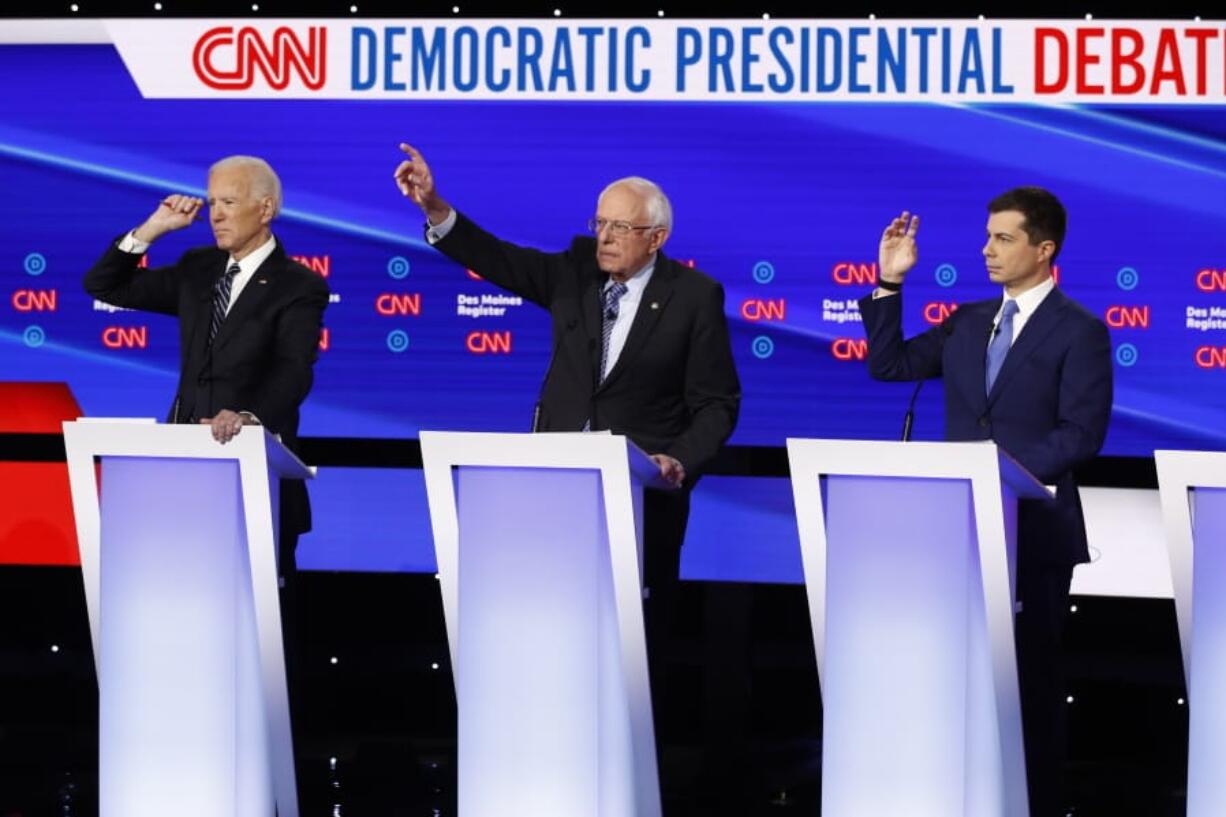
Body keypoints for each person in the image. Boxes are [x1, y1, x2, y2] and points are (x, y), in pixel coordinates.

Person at [393, 140, 741, 780]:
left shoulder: (694, 297)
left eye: (621, 227)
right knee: (542, 640)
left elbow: (717, 404)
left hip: (641, 506)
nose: (605, 237)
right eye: (600, 223)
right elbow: (497, 259)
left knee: (628, 653)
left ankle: (622, 774)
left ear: (656, 237)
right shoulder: (576, 273)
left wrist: (677, 461)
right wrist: (436, 206)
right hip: (551, 496)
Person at [858, 186, 1113, 817]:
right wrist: (890, 284)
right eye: (987, 236)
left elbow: (1082, 433)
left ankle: (1036, 802)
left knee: (1029, 682)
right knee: (957, 680)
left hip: (1035, 534)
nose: (987, 249)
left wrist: (1000, 475)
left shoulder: (1080, 331)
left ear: (1044, 249)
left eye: (1003, 238)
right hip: (958, 534)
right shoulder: (969, 321)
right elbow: (888, 366)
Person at [83, 155, 329, 573]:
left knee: (262, 619)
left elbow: (294, 368)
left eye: (229, 203)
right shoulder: (198, 269)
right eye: (212, 202)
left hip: (256, 476)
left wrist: (251, 418)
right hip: (186, 470)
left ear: (265, 208)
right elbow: (104, 284)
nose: (215, 215)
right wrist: (152, 229)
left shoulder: (299, 285)